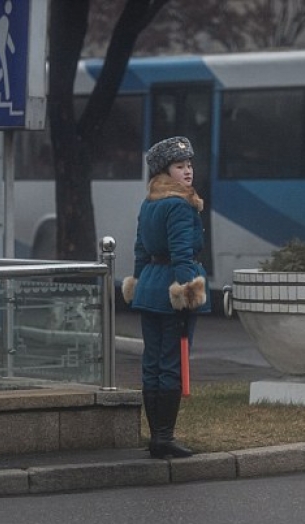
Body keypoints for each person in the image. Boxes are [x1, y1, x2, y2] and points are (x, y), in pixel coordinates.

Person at [122, 136, 210, 459]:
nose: (188, 171)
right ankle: (164, 437)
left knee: (153, 362)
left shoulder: (150, 202)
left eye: (189, 165)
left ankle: (156, 435)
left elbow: (141, 250)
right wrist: (190, 293)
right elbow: (182, 256)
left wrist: (138, 282)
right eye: (180, 166)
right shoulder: (180, 204)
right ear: (165, 171)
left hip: (150, 288)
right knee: (171, 363)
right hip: (174, 288)